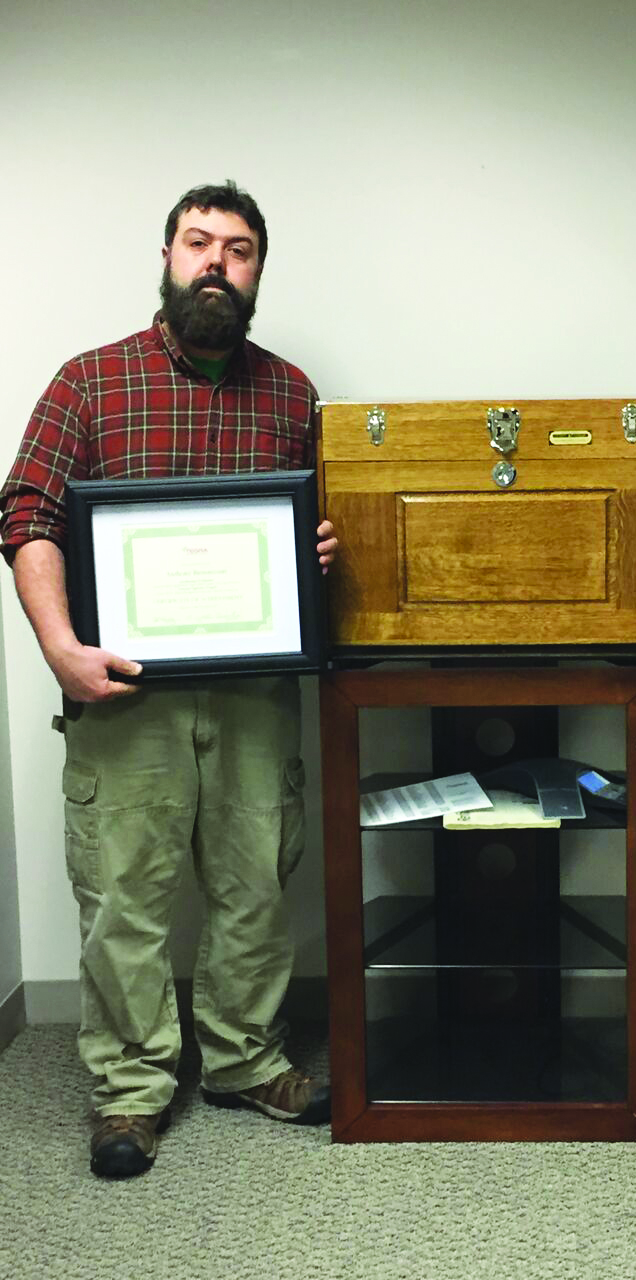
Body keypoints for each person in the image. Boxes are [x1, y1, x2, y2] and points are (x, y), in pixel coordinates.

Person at [0, 180, 339, 1179]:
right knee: (124, 901)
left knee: (255, 887)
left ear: (257, 273)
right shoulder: (87, 383)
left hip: (252, 698)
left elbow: (315, 532)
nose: (216, 264)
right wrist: (62, 646)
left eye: (238, 251)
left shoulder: (292, 393)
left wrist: (317, 546)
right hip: (124, 697)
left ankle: (243, 1059)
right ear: (166, 255)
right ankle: (132, 1091)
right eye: (200, 243)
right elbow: (27, 521)